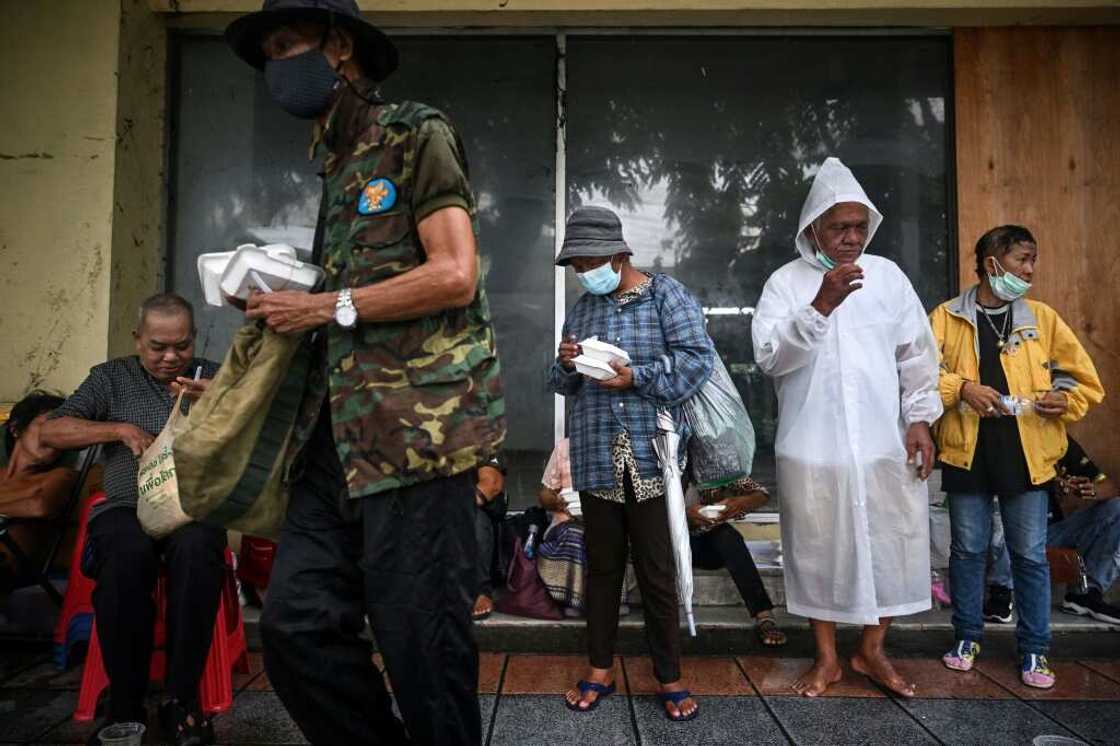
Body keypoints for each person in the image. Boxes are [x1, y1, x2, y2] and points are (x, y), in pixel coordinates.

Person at [225, 2, 506, 743]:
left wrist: (322, 308)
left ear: (339, 47)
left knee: (426, 653)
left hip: (418, 441)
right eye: (270, 54)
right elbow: (343, 312)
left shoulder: (415, 133)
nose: (277, 66)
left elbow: (453, 273)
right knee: (294, 628)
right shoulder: (333, 163)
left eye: (288, 45)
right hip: (335, 445)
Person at [752, 157, 942, 698]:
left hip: (885, 443)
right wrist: (822, 304)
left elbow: (918, 358)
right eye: (840, 227)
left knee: (891, 545)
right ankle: (828, 658)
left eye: (860, 226)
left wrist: (921, 420)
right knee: (818, 552)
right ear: (814, 227)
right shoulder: (785, 284)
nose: (852, 237)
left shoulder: (889, 278)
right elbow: (771, 359)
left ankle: (872, 652)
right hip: (813, 450)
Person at [549, 205, 714, 722]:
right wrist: (565, 361)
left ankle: (669, 675)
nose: (583, 272)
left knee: (656, 571)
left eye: (589, 261)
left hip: (652, 455)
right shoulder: (582, 309)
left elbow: (697, 359)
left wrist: (635, 376)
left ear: (620, 255)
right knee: (601, 569)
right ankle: (601, 669)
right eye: (576, 265)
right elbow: (562, 385)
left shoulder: (667, 294)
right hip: (598, 453)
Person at [39, 293, 223, 746]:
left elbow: (263, 427)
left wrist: (217, 401)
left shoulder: (212, 375)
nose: (169, 356)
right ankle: (124, 704)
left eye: (180, 346)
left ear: (193, 339)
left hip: (192, 509)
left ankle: (183, 701)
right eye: (158, 346)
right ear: (138, 339)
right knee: (125, 557)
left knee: (199, 550)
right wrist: (116, 429)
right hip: (125, 507)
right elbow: (52, 430)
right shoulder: (111, 379)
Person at [930, 224, 1104, 689]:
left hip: (1029, 455)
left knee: (1028, 555)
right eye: (1022, 259)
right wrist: (961, 388)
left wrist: (1064, 400)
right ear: (992, 263)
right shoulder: (946, 317)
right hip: (967, 452)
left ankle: (1035, 651)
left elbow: (1084, 380)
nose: (1030, 270)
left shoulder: (1042, 318)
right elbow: (921, 378)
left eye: (1032, 260)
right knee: (967, 551)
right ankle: (966, 637)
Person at [985, 436, 1119, 626]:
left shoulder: (1060, 441)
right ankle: (1000, 592)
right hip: (1013, 531)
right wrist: (1046, 485)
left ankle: (1085, 594)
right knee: (1008, 517)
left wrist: (1090, 490)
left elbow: (1110, 487)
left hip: (1052, 532)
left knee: (1117, 508)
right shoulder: (1005, 440)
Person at [685, 476, 786, 647]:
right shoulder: (657, 463)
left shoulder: (714, 465)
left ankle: (763, 614)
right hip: (665, 547)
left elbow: (761, 493)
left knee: (727, 536)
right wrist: (684, 515)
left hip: (702, 548)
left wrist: (739, 502)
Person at [472, 455, 507, 621]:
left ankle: (481, 592)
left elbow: (491, 484)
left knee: (475, 519)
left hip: (473, 513)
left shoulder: (481, 440)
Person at [3, 391, 66, 479]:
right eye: (48, 426)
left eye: (64, 431)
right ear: (15, 429)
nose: (55, 436)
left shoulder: (64, 478)